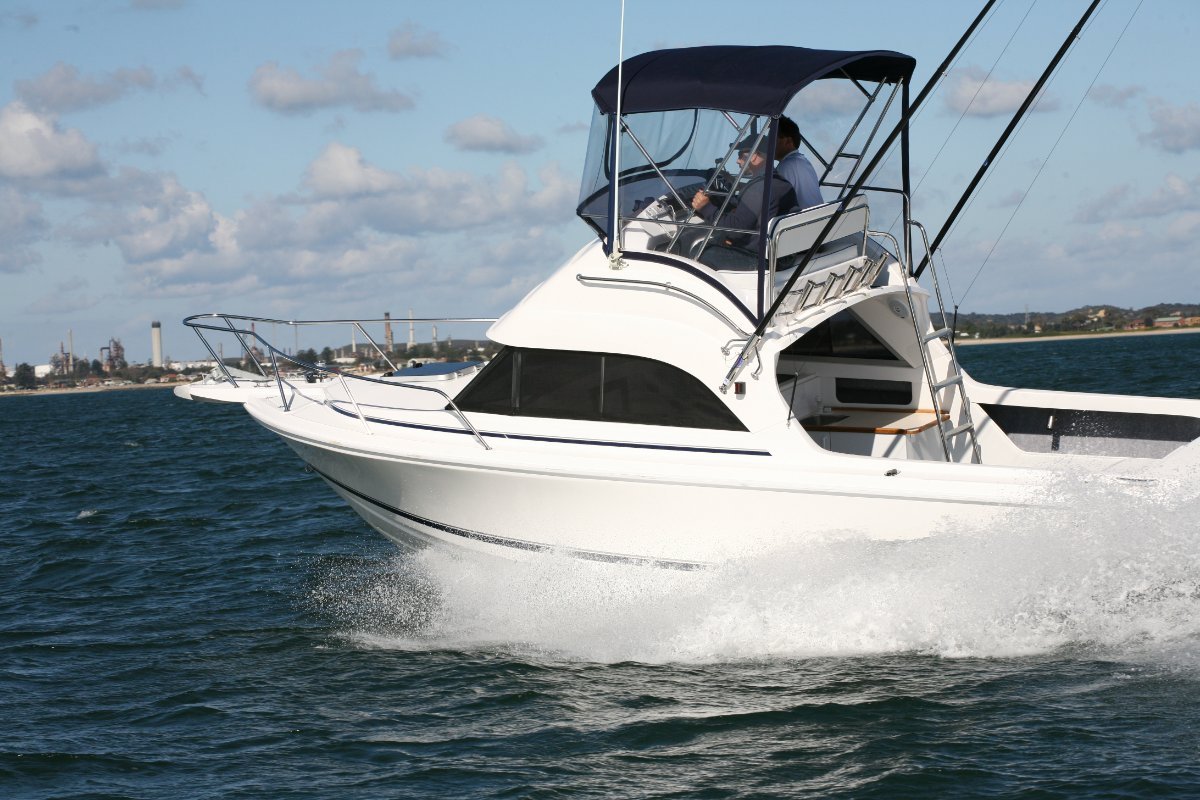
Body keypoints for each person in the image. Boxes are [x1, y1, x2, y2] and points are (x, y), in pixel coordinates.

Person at [690, 134, 796, 252]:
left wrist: (706, 208)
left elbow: (735, 231)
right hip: (777, 252)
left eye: (740, 155)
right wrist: (735, 184)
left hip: (755, 258)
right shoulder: (778, 182)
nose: (737, 161)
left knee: (694, 248)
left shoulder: (758, 189)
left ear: (754, 156)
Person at [773, 115, 823, 210]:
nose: (769, 143)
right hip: (815, 220)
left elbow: (774, 200)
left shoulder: (786, 166)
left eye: (774, 138)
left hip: (801, 222)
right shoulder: (803, 162)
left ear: (788, 141)